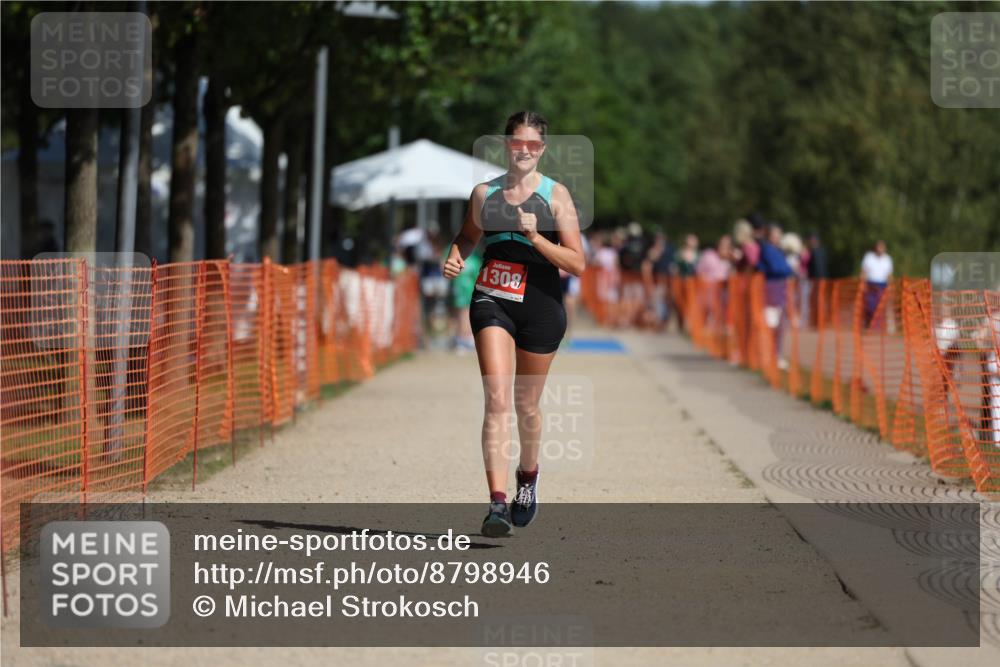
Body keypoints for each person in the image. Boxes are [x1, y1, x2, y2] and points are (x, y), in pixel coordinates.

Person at [442, 111, 585, 537]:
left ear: (542, 149)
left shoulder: (555, 196)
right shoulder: (484, 194)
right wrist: (457, 254)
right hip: (493, 297)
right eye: (516, 143)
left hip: (540, 304)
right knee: (498, 400)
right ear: (506, 145)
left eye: (533, 145)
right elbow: (468, 236)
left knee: (526, 405)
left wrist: (538, 238)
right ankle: (497, 504)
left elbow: (577, 263)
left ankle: (528, 475)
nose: (524, 151)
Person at [757, 223, 793, 368]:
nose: (777, 237)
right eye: (774, 234)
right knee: (772, 324)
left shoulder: (777, 250)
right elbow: (778, 268)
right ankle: (769, 355)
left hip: (779, 290)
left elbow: (785, 268)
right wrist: (788, 270)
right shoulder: (768, 250)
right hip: (772, 290)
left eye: (779, 234)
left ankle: (775, 355)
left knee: (779, 325)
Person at [861, 240, 893, 329]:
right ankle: (869, 323)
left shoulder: (887, 259)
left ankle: (877, 326)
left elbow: (889, 274)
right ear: (875, 247)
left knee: (880, 307)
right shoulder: (869, 257)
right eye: (879, 247)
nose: (880, 249)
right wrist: (862, 284)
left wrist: (890, 286)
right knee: (870, 306)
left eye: (882, 247)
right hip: (870, 284)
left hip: (882, 285)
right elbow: (864, 272)